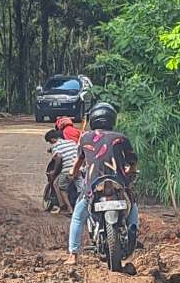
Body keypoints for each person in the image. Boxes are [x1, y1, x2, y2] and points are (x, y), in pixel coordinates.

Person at [66, 102, 139, 265]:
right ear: (112, 119)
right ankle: (133, 228)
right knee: (133, 205)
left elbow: (78, 163)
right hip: (119, 184)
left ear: (93, 119)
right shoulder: (121, 138)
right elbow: (133, 162)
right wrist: (129, 171)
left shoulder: (85, 138)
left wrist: (72, 173)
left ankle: (73, 254)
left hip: (93, 186)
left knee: (78, 216)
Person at [42, 126, 79, 212]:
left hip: (68, 170)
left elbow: (58, 156)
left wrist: (54, 171)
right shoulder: (71, 142)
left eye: (50, 142)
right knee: (81, 187)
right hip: (79, 168)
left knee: (57, 185)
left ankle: (68, 208)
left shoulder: (56, 146)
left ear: (52, 139)